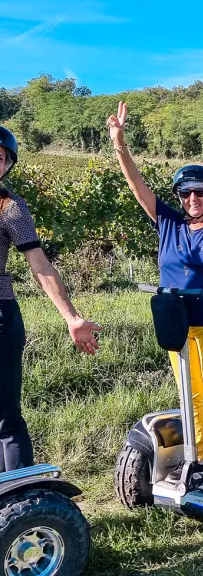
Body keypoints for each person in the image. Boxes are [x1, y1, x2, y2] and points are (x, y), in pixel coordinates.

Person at [107, 101, 203, 472]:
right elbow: (136, 185)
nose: (193, 199)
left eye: (201, 193)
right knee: (189, 396)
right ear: (179, 197)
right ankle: (197, 459)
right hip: (177, 323)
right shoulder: (167, 223)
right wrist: (119, 144)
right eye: (187, 193)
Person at [0, 125, 101, 472]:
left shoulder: (11, 208)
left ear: (7, 166)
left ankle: (20, 505)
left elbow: (40, 265)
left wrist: (72, 317)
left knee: (5, 418)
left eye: (0, 158)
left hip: (1, 318)